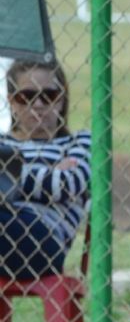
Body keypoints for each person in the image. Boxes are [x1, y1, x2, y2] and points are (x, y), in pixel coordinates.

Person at [0, 60, 90, 285]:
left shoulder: (80, 141)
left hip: (43, 239)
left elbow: (67, 184)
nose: (38, 104)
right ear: (12, 102)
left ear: (61, 101)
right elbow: (52, 183)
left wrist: (7, 174)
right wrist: (46, 174)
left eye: (49, 95)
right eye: (26, 96)